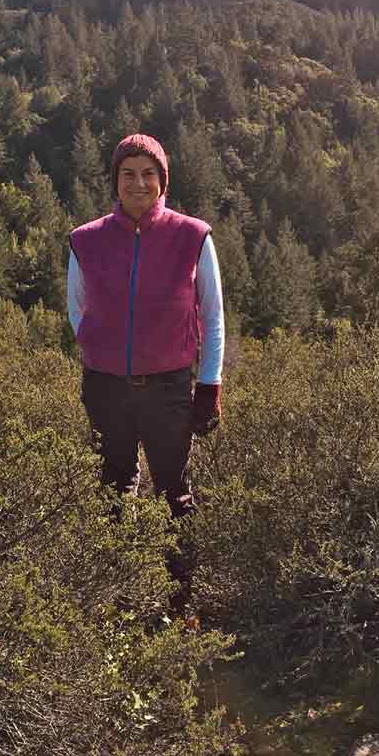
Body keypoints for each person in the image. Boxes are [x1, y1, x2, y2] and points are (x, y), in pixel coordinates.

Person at [67, 133, 224, 608]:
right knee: (113, 491)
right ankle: (119, 599)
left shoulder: (192, 236)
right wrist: (99, 351)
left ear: (163, 181)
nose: (138, 182)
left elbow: (213, 316)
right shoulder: (86, 240)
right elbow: (77, 310)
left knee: (175, 494)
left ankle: (180, 603)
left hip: (168, 388)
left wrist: (209, 384)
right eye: (128, 173)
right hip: (106, 388)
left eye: (148, 173)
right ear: (115, 180)